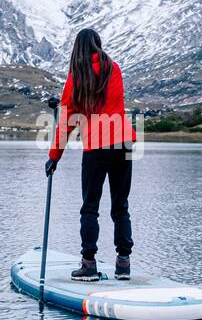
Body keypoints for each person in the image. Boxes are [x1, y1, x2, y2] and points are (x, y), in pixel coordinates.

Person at [45, 28, 136, 281]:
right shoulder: (114, 68)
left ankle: (89, 264)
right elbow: (108, 103)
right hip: (123, 143)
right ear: (98, 44)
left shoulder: (77, 76)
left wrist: (54, 156)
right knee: (121, 205)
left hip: (96, 146)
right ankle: (123, 264)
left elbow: (68, 121)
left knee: (90, 208)